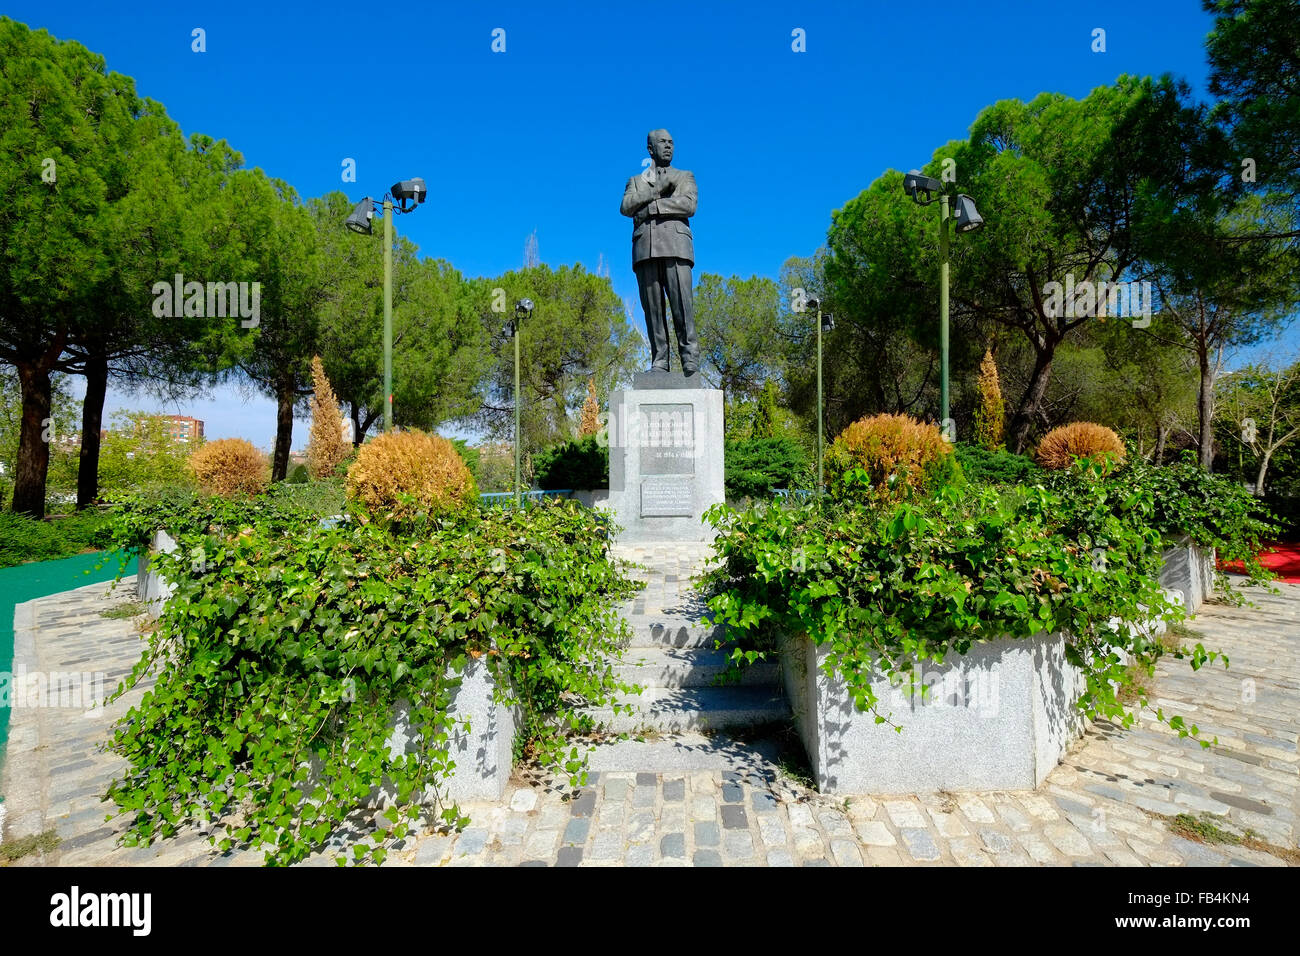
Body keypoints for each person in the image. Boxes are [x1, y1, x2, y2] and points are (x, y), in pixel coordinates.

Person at [620, 129, 699, 374]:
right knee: (652, 309)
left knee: (682, 305)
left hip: (676, 247)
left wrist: (650, 209)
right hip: (645, 250)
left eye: (671, 142)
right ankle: (660, 360)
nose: (668, 146)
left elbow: (688, 205)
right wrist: (655, 191)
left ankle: (690, 358)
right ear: (650, 149)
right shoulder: (637, 180)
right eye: (662, 142)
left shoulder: (684, 176)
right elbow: (625, 207)